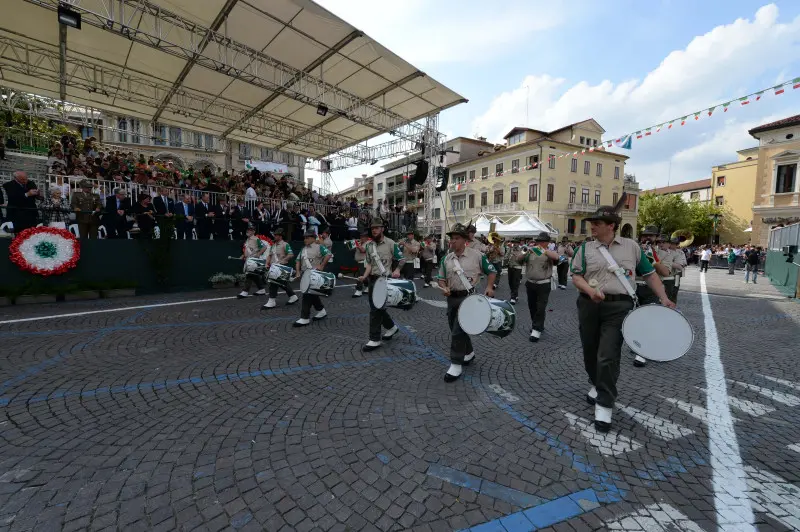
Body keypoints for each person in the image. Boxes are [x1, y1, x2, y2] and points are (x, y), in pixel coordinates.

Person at [570, 205, 674, 432]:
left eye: (597, 223)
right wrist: (590, 291)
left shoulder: (632, 248)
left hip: (619, 306)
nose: (592, 226)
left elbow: (650, 274)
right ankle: (597, 384)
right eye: (592, 223)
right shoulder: (584, 249)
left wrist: (664, 298)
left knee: (608, 355)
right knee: (590, 353)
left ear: (611, 226)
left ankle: (604, 405)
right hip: (589, 305)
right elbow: (576, 277)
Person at [437, 223, 496, 382]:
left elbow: (492, 271)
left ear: (464, 240)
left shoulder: (477, 256)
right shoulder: (446, 258)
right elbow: (440, 278)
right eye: (452, 238)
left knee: (457, 331)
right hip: (452, 298)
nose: (453, 241)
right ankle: (468, 353)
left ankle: (456, 364)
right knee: (455, 328)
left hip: (468, 298)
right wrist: (444, 287)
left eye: (457, 238)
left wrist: (490, 287)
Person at [360, 220, 405, 352]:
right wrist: (364, 276)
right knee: (377, 307)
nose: (374, 230)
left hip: (385, 280)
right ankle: (391, 327)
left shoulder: (391, 243)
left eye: (377, 228)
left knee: (375, 309)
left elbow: (402, 259)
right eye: (372, 228)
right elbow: (369, 264)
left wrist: (397, 270)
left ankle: (374, 339)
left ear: (382, 229)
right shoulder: (369, 246)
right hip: (373, 280)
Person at [631, 231, 672, 368]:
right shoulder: (632, 248)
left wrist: (653, 261)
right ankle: (636, 344)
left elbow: (666, 272)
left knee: (649, 320)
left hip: (652, 289)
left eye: (651, 235)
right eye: (644, 235)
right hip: (633, 287)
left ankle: (642, 353)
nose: (647, 238)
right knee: (635, 320)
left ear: (656, 238)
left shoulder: (665, 253)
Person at [522, 232, 561, 342]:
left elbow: (556, 257)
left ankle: (536, 329)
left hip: (543, 284)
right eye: (538, 241)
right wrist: (526, 251)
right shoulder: (530, 252)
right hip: (530, 283)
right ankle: (537, 324)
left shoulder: (548, 252)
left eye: (542, 241)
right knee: (532, 306)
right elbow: (518, 258)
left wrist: (542, 250)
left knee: (541, 307)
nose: (540, 243)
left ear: (547, 243)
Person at [292, 230, 331, 327]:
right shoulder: (303, 249)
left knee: (307, 295)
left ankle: (304, 318)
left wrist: (322, 266)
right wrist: (297, 271)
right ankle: (321, 311)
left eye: (307, 237)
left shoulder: (319, 247)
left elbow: (328, 254)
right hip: (305, 275)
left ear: (313, 238)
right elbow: (297, 261)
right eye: (304, 238)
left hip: (315, 275)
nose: (305, 239)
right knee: (312, 294)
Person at [263, 229, 299, 308]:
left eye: (276, 235)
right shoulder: (273, 246)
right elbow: (269, 255)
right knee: (282, 283)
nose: (274, 236)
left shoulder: (285, 244)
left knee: (273, 283)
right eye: (274, 235)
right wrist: (266, 263)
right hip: (274, 267)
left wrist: (283, 260)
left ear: (280, 236)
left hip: (281, 267)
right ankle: (293, 296)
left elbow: (290, 254)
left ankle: (271, 301)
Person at [238, 224, 269, 299]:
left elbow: (264, 247)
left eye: (250, 230)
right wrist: (243, 255)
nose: (248, 231)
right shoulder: (247, 240)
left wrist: (258, 253)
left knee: (250, 274)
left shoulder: (256, 239)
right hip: (249, 259)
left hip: (254, 260)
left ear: (254, 231)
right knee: (254, 275)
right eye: (248, 230)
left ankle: (245, 291)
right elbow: (247, 250)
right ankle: (261, 289)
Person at [352, 229, 370, 298]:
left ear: (366, 237)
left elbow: (363, 250)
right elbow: (354, 249)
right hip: (359, 262)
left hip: (364, 262)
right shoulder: (360, 242)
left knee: (360, 276)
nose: (361, 238)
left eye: (363, 236)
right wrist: (352, 245)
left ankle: (358, 290)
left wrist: (357, 245)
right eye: (361, 236)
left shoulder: (369, 243)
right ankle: (368, 286)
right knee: (364, 276)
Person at [505, 240, 525, 305]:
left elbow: (523, 259)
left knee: (515, 282)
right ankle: (515, 295)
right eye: (514, 243)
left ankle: (513, 297)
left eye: (516, 243)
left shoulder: (522, 249)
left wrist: (516, 255)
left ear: (518, 243)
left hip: (517, 267)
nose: (515, 244)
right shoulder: (511, 249)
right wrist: (508, 252)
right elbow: (506, 256)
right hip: (510, 267)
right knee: (510, 282)